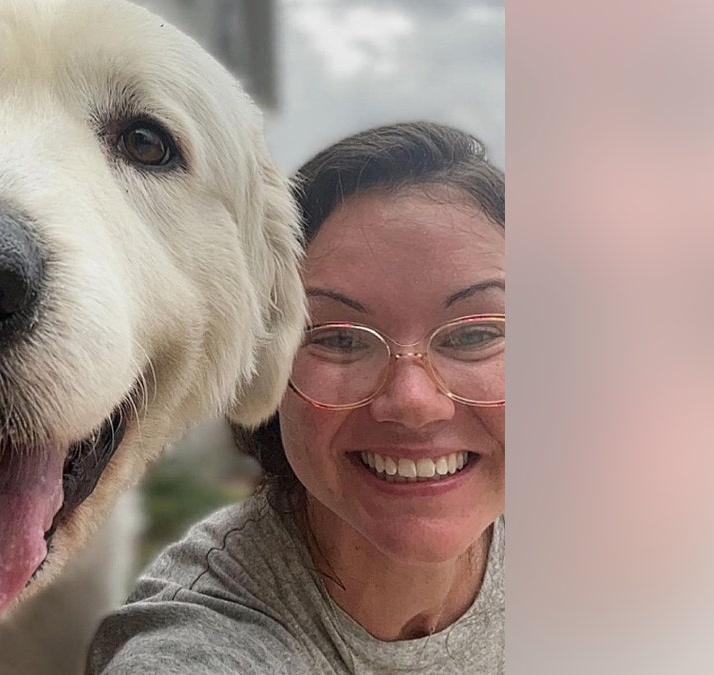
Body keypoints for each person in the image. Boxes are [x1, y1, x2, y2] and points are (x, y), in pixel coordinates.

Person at [87, 121, 505, 674]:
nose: (413, 400)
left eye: (473, 334)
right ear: (264, 369)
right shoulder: (200, 646)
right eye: (338, 338)